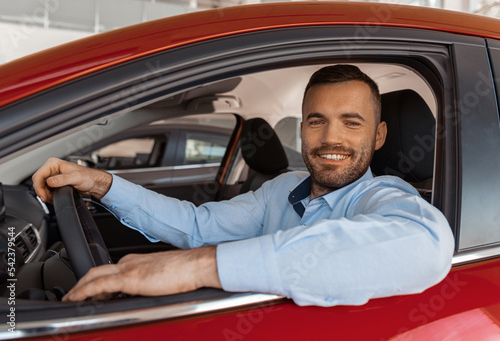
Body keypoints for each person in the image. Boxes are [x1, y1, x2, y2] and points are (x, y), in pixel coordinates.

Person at [32, 65, 455, 306]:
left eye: (351, 122)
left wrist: (197, 266)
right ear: (303, 131)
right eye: (316, 121)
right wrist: (103, 184)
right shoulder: (283, 188)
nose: (331, 139)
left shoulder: (383, 198)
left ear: (378, 136)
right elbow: (195, 226)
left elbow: (427, 242)